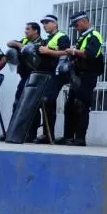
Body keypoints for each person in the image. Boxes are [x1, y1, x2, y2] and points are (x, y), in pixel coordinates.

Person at [61, 11, 103, 146]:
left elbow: (90, 54)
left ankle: (80, 139)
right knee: (69, 107)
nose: (75, 27)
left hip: (87, 76)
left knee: (81, 106)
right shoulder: (83, 36)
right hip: (77, 76)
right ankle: (67, 136)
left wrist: (73, 51)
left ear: (84, 21)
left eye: (76, 24)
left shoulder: (94, 35)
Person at [2, 21, 44, 142]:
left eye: (28, 29)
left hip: (36, 78)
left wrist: (23, 47)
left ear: (35, 31)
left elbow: (35, 54)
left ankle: (31, 134)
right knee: (17, 104)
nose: (25, 31)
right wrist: (18, 44)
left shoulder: (41, 43)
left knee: (33, 106)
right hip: (24, 77)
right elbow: (9, 43)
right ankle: (12, 131)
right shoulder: (24, 41)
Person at [34, 14, 71, 143]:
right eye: (43, 23)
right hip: (47, 75)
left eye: (47, 22)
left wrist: (48, 51)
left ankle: (49, 135)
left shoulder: (62, 37)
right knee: (46, 102)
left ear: (55, 24)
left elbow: (67, 52)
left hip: (57, 74)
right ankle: (46, 134)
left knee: (48, 100)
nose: (44, 25)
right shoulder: (48, 39)